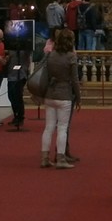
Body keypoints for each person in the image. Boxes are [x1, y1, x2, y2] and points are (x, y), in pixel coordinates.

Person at [40, 28, 80, 169]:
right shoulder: (71, 56)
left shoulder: (51, 55)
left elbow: (44, 73)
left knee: (48, 127)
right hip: (64, 94)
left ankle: (45, 157)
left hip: (50, 94)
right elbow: (75, 80)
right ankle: (61, 158)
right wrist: (79, 97)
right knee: (62, 128)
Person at [4, 46, 30, 131]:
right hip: (11, 74)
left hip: (21, 75)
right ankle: (15, 115)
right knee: (11, 96)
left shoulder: (24, 49)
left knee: (18, 96)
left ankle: (20, 117)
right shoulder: (10, 49)